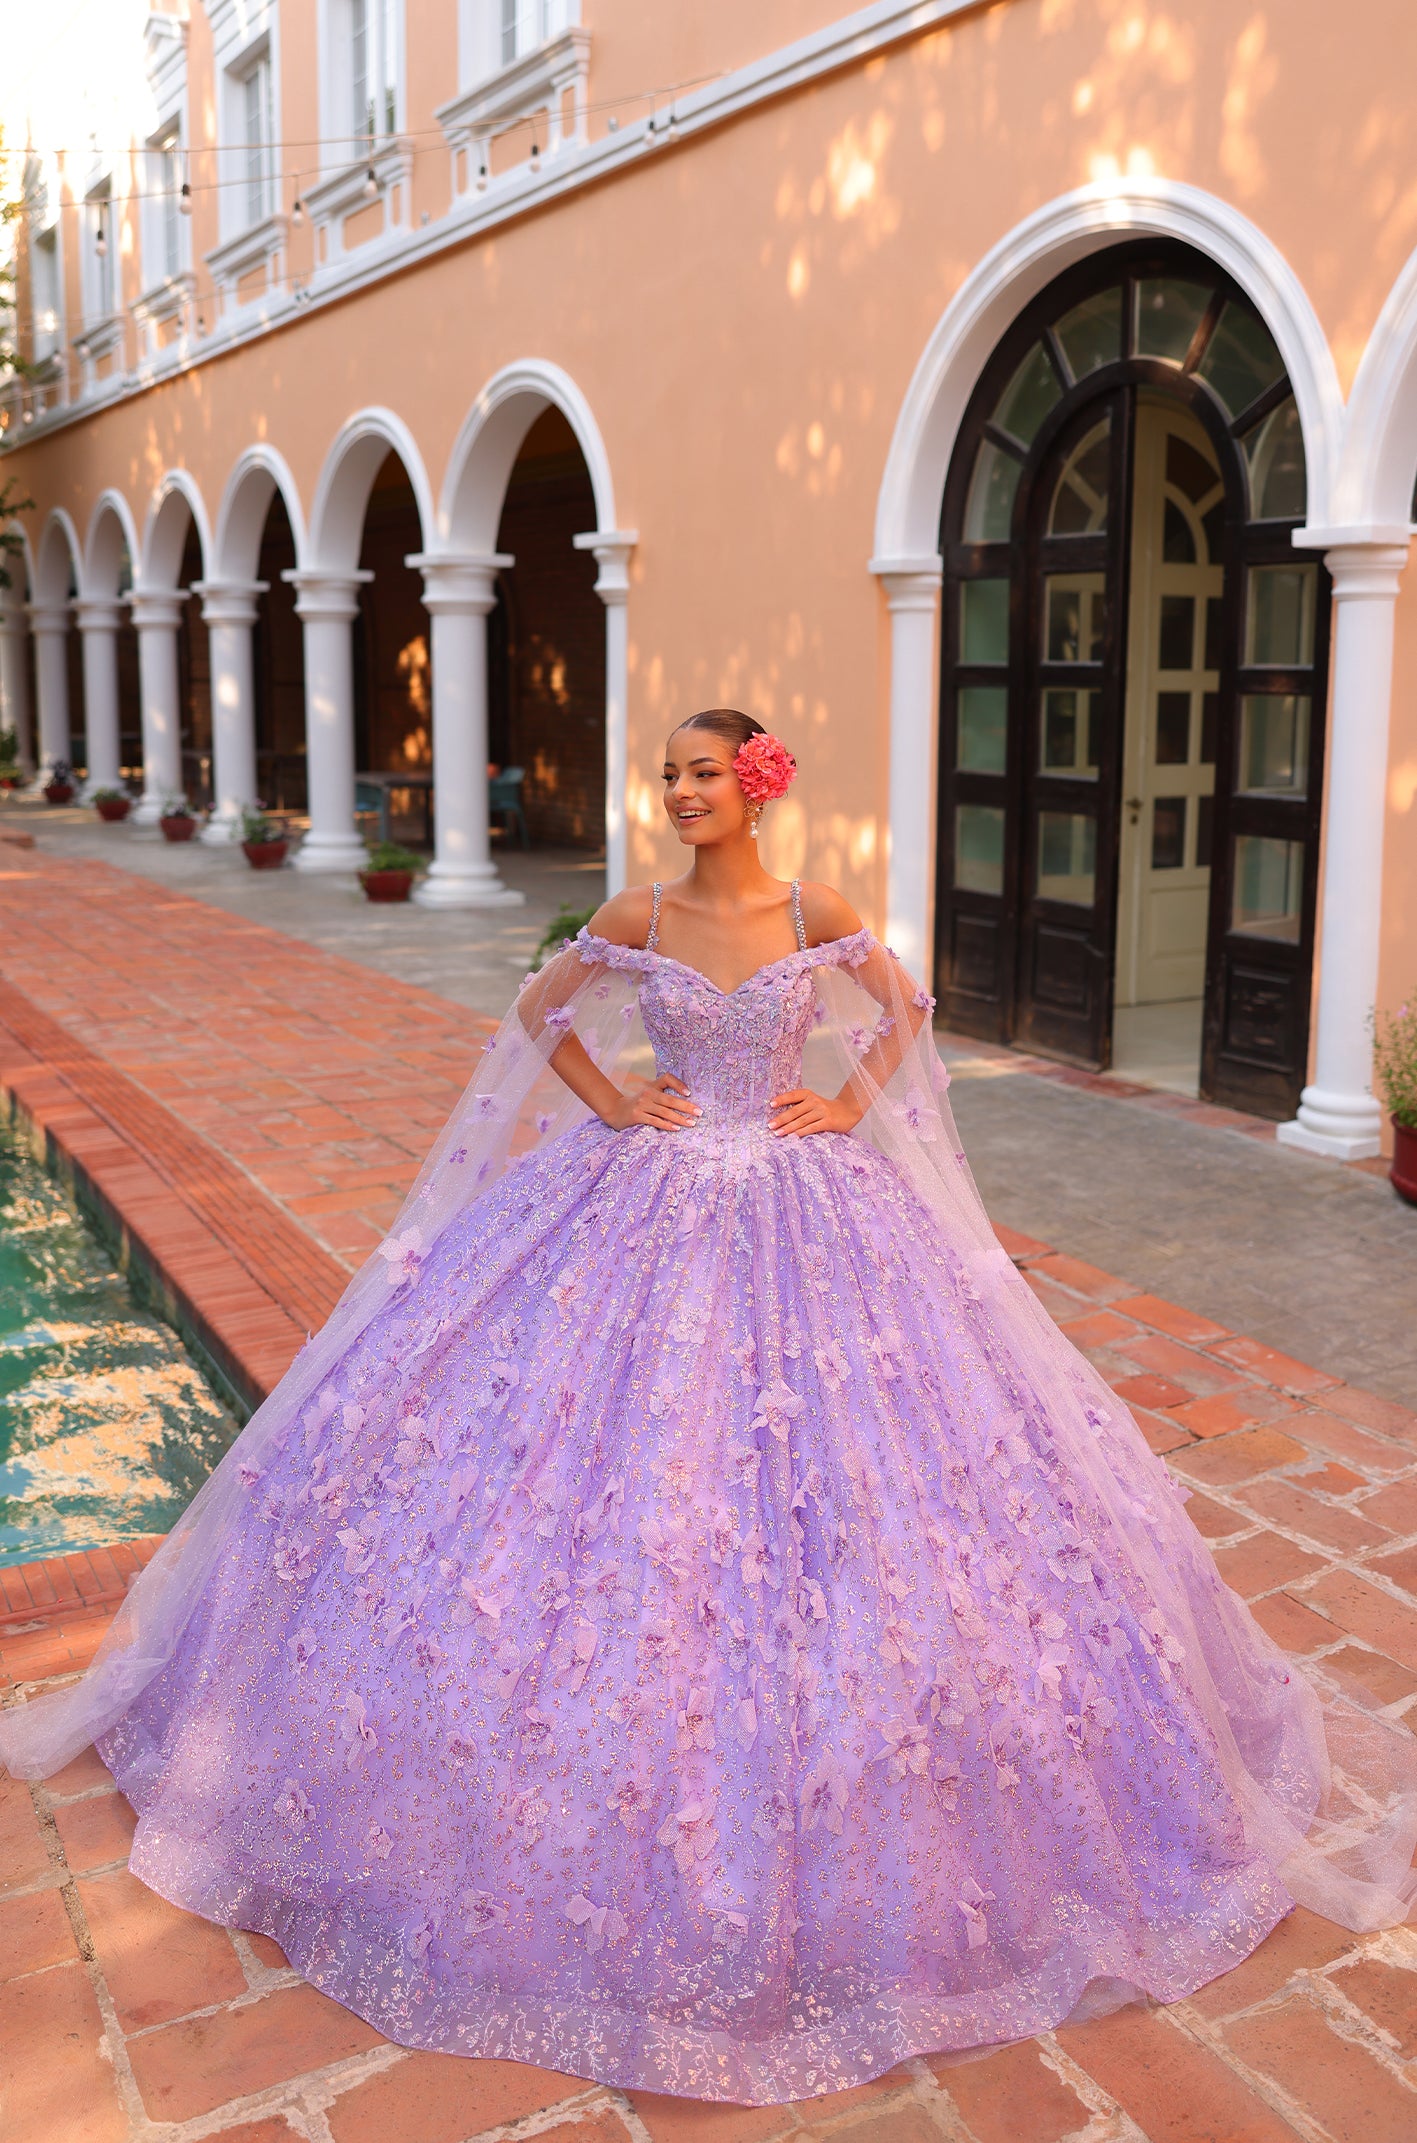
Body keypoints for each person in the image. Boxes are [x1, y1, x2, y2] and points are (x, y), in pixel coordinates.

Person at [3, 709, 1415, 2107]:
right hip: (649, 1196)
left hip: (810, 1204)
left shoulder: (815, 909)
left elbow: (906, 1011)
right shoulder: (639, 911)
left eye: (702, 771)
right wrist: (614, 1102)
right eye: (668, 773)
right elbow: (537, 1013)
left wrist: (848, 1102)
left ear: (756, 782)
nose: (680, 791)